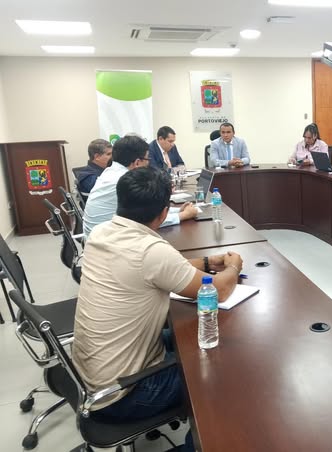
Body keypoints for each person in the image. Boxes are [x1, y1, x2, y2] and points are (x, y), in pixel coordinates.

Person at [73, 167, 243, 452]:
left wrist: (206, 262)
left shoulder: (102, 233)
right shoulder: (150, 251)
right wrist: (234, 266)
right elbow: (221, 289)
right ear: (164, 213)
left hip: (91, 379)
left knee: (186, 338)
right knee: (221, 376)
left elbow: (162, 269)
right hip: (122, 395)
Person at [83, 135, 197, 237]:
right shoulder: (123, 181)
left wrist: (177, 210)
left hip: (97, 238)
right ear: (137, 162)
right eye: (147, 159)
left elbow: (147, 211)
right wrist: (183, 215)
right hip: (109, 242)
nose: (148, 163)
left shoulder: (110, 171)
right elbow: (146, 220)